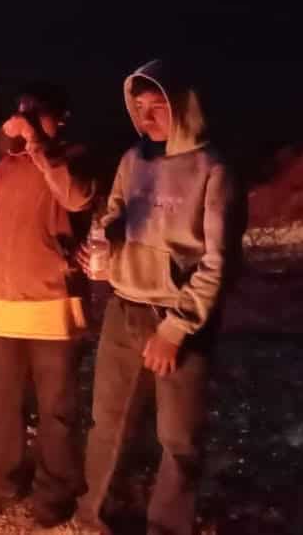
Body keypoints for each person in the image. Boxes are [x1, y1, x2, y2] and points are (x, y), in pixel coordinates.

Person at [73, 60, 241, 535]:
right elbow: (112, 215)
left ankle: (167, 527)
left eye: (159, 106)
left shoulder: (214, 170)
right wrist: (101, 249)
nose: (147, 118)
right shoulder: (133, 160)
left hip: (178, 321)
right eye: (139, 106)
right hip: (124, 309)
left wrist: (175, 328)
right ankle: (95, 517)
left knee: (178, 439)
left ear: (185, 107)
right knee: (107, 424)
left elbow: (218, 262)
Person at [0, 82, 94, 526]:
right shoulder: (6, 167)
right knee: (2, 402)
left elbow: (74, 197)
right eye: (24, 114)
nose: (28, 121)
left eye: (39, 115)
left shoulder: (74, 158)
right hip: (1, 299)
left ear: (60, 118)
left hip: (51, 303)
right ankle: (3, 478)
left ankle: (54, 491)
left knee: (56, 409)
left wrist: (37, 144)